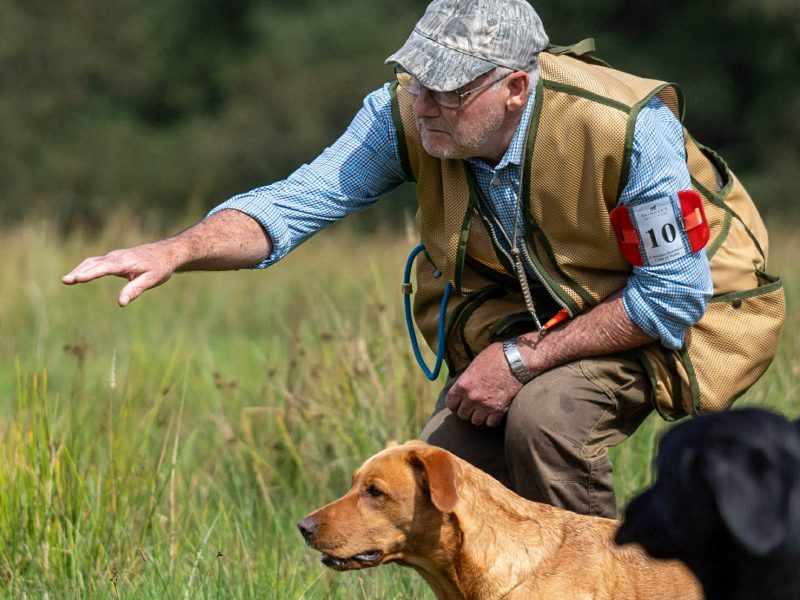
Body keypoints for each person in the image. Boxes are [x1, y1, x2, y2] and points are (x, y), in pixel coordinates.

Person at [63, 0, 784, 518]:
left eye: (449, 89)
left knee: (545, 421)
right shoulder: (405, 115)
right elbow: (294, 203)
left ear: (515, 88)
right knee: (442, 468)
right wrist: (177, 249)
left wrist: (518, 361)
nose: (426, 104)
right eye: (417, 81)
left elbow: (672, 293)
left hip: (677, 312)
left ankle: (598, 583)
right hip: (547, 313)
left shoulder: (627, 127)